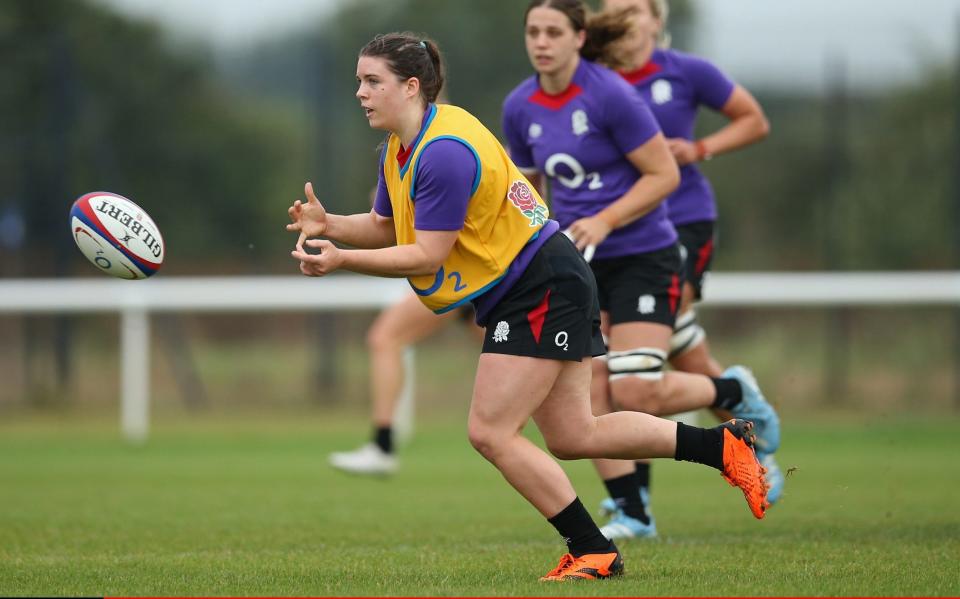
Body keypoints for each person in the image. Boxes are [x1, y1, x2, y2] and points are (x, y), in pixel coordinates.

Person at [288, 30, 768, 581]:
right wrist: (331, 226)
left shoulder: (442, 152)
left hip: (539, 286)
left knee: (490, 432)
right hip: (542, 280)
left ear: (411, 86)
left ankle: (593, 550)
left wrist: (341, 261)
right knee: (573, 436)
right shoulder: (403, 147)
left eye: (373, 81)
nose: (361, 93)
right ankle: (723, 445)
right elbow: (383, 226)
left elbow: (426, 254)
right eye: (359, 82)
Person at [501, 0, 781, 543]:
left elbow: (665, 174)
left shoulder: (609, 93)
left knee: (636, 391)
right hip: (578, 263)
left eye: (553, 31)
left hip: (644, 256)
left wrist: (604, 221)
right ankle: (633, 512)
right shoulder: (519, 105)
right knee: (588, 397)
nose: (541, 42)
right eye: (532, 31)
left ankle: (730, 388)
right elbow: (530, 191)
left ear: (580, 38)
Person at [594, 0, 785, 537]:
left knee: (634, 369)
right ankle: (732, 412)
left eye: (634, 8)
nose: (624, 19)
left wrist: (700, 147)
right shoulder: (594, 79)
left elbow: (754, 119)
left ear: (657, 18)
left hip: (679, 226)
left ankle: (647, 500)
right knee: (646, 360)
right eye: (612, 10)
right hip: (616, 234)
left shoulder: (685, 71)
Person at [328, 293, 481, 475]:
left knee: (385, 338)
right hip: (477, 278)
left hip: (460, 277)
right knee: (512, 352)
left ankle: (382, 446)